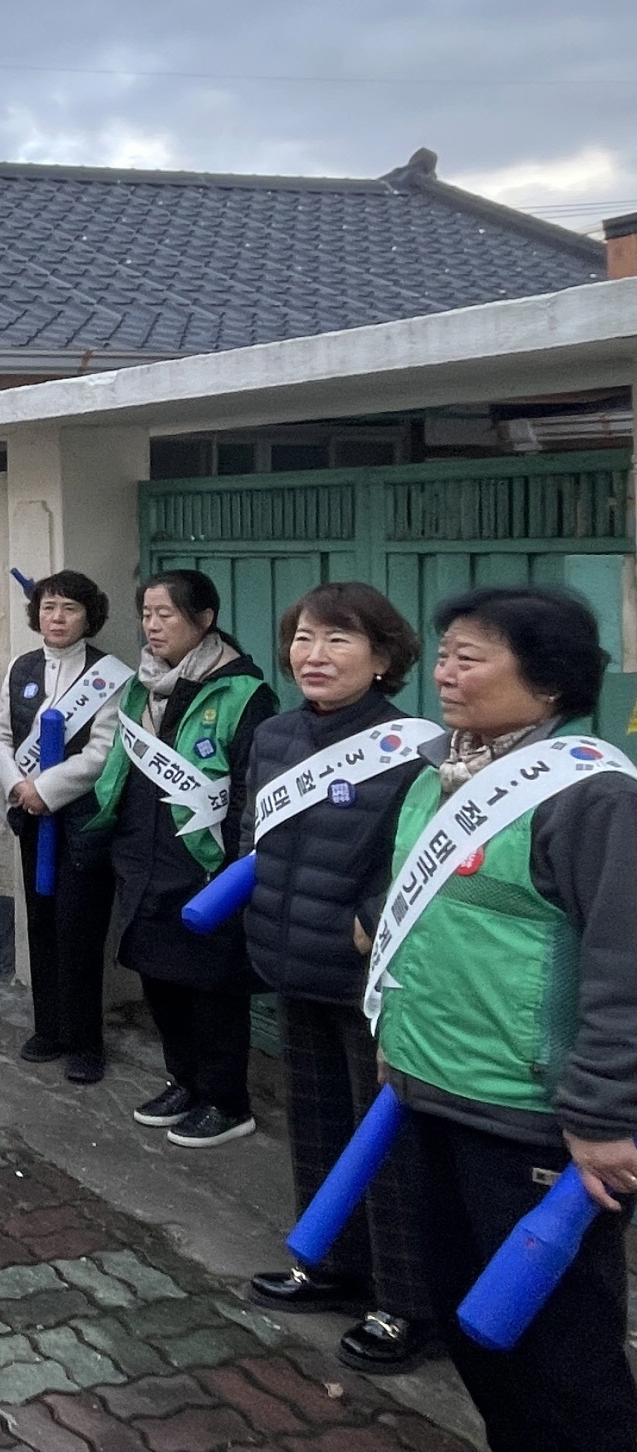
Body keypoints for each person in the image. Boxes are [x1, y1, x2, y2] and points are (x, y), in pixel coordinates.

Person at [371, 585, 637, 1448]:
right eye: (443, 654)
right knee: (472, 1325)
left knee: (564, 1354)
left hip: (531, 1120)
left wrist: (601, 1115)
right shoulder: (437, 773)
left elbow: (623, 964)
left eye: (469, 658)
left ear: (550, 682)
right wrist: (395, 1042)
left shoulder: (591, 796)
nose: (443, 674)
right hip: (433, 1090)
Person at [239, 583, 437, 1374]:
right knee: (316, 1124)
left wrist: (372, 911)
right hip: (292, 960)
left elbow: (426, 855)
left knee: (383, 1143)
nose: (313, 657)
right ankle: (328, 1264)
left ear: (384, 657)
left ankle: (406, 1304)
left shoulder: (415, 748)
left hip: (370, 977)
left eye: (338, 642)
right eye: (304, 639)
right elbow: (251, 835)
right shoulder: (277, 735)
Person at [84, 569, 277, 1148]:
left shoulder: (242, 693)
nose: (152, 625)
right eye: (146, 614)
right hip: (143, 857)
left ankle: (227, 1099)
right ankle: (185, 1081)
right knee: (159, 977)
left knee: (210, 985)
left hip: (205, 863)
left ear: (204, 619)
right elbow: (122, 766)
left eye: (165, 614)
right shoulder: (143, 687)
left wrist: (237, 865)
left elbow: (250, 787)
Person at [0, 570, 122, 1083]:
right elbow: (1, 735)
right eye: (48, 608)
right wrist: (20, 787)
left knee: (79, 930)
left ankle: (87, 1042)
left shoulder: (110, 675)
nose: (57, 618)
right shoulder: (21, 667)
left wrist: (46, 790)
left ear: (89, 614)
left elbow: (103, 751)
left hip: (84, 823)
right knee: (41, 922)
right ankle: (50, 1029)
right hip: (30, 818)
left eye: (68, 608)